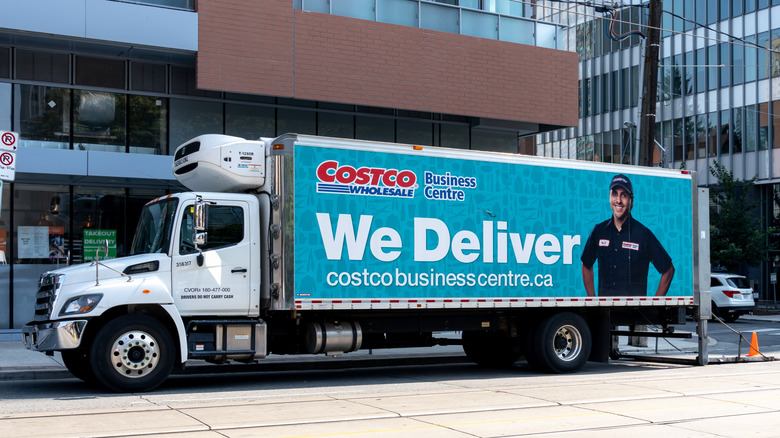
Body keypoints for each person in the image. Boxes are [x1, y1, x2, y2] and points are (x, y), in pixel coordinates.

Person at [581, 174, 675, 297]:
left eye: (623, 195)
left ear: (631, 201)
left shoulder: (643, 235)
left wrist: (654, 304)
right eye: (614, 194)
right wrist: (592, 301)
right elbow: (586, 264)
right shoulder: (599, 231)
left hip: (634, 314)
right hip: (604, 313)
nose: (618, 200)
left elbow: (668, 270)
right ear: (609, 197)